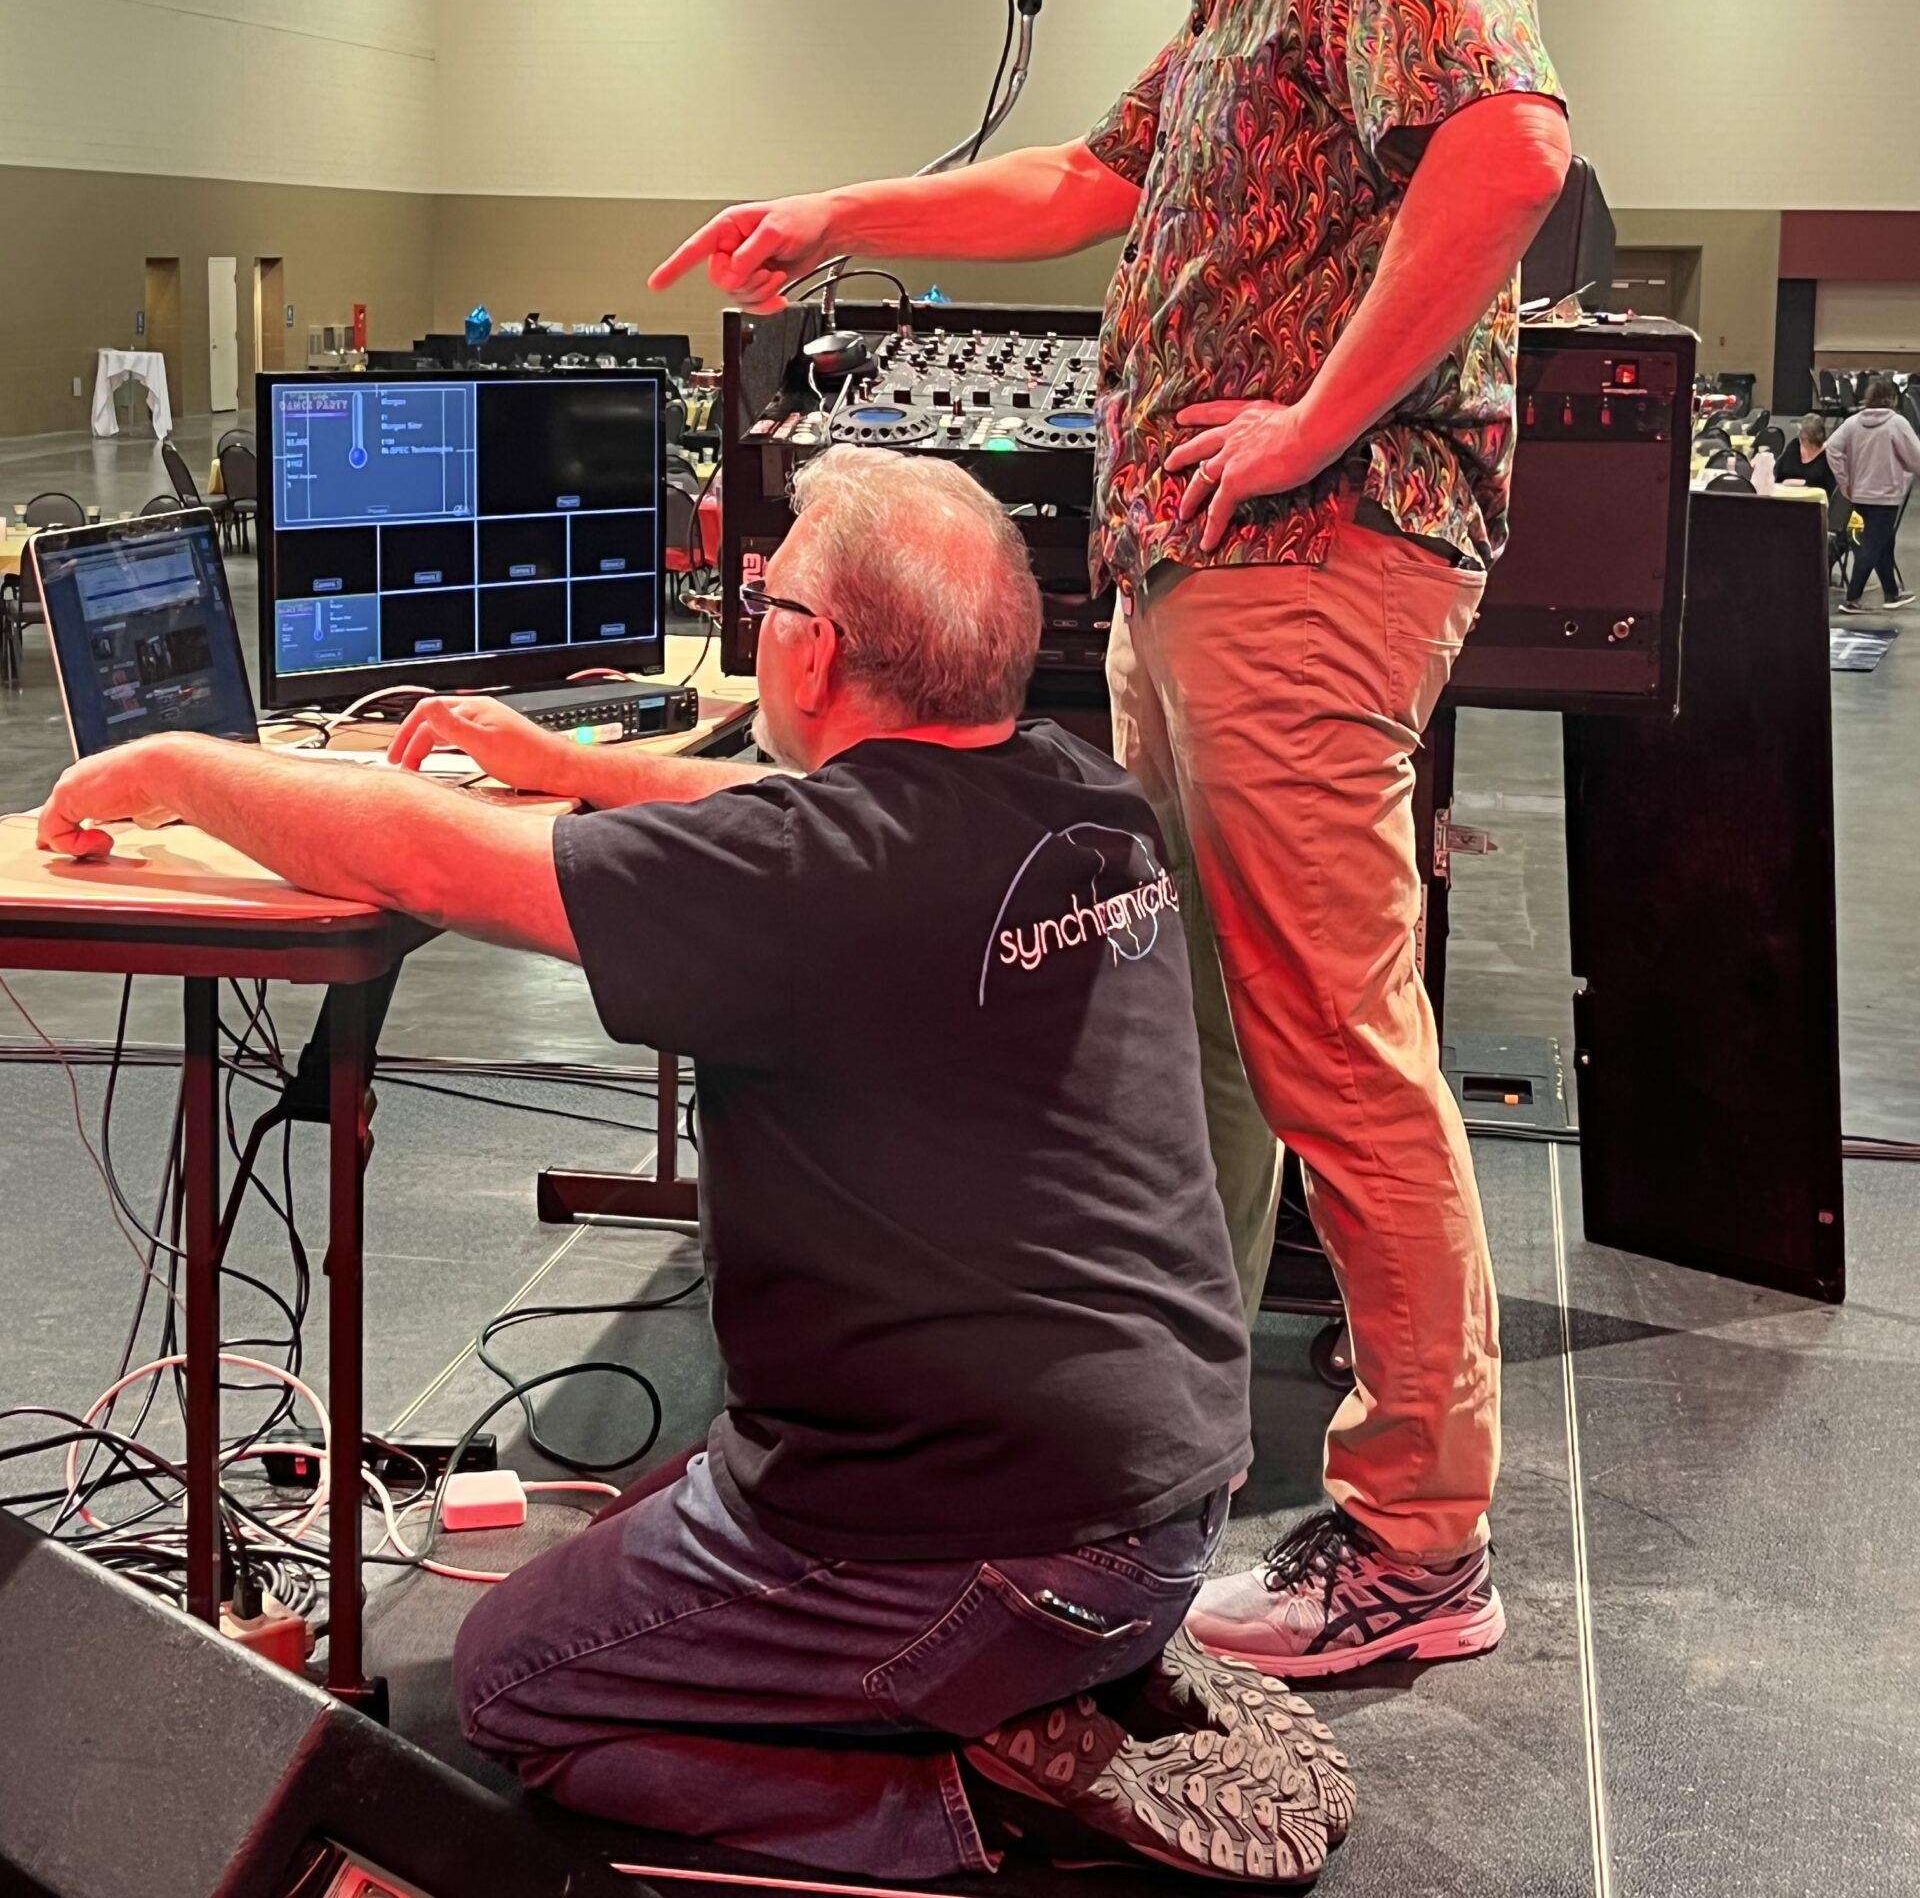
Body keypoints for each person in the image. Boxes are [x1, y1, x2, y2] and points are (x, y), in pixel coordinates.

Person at [652, 0, 1569, 1676]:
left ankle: (1419, 1541)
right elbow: (1088, 181)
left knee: (1337, 1045)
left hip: (1309, 560)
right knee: (1234, 1030)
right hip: (1217, 568)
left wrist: (1313, 419)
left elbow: (1510, 152)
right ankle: (1185, 1435)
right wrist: (836, 208)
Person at [36, 449, 1352, 1888]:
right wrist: (570, 763)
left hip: (989, 1544)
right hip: (1168, 1499)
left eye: (766, 597)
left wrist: (172, 766)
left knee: (520, 1682)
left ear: (817, 649)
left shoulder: (809, 874)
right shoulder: (1076, 796)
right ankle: (1067, 1678)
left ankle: (977, 1792)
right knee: (674, 1503)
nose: (755, 614)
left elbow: (432, 856)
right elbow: (764, 825)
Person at [1827, 377, 1920, 613]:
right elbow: (1915, 457)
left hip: (1859, 495)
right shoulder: (1896, 423)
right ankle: (1852, 598)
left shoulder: (1852, 422)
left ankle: (1892, 593)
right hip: (1886, 496)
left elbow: (1832, 449)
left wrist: (1844, 480)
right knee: (1871, 545)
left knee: (1883, 543)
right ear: (1892, 398)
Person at [1778, 413, 1835, 493]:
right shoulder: (1794, 446)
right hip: (1784, 498)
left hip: (1814, 502)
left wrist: (1801, 483)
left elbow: (1830, 488)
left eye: (1806, 440)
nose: (1802, 441)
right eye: (1802, 438)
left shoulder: (1828, 455)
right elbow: (1778, 473)